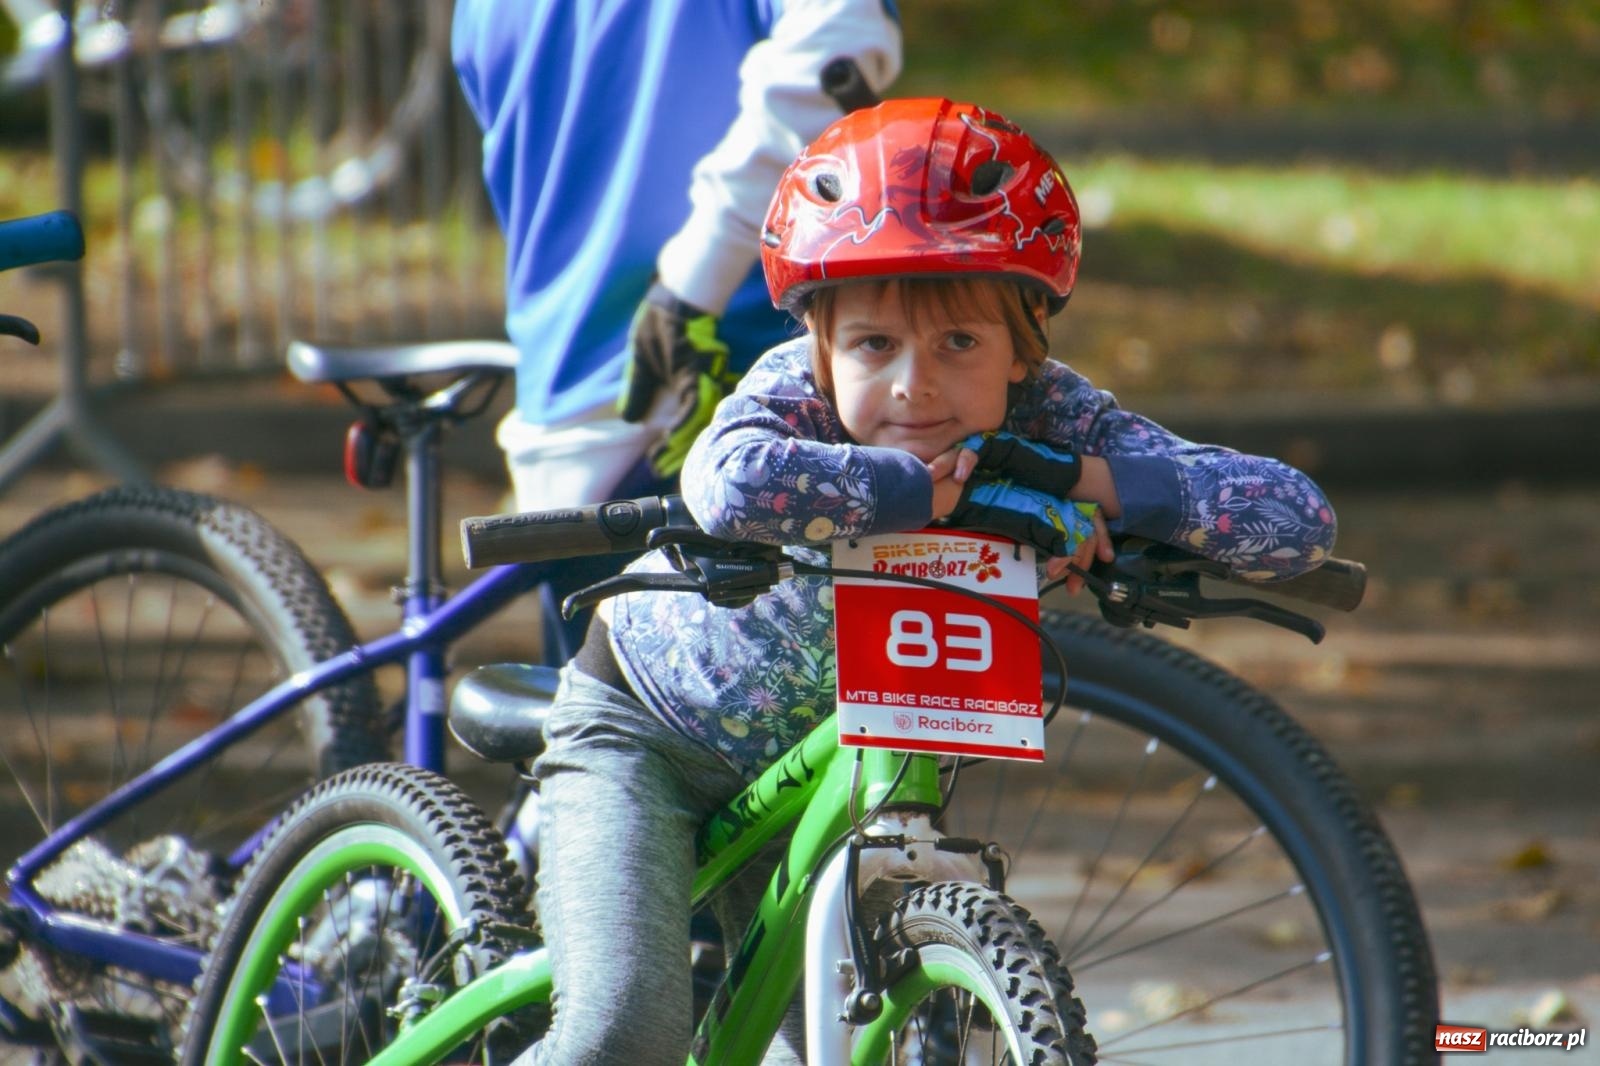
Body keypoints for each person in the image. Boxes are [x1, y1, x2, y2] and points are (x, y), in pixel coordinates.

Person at [517, 97, 1338, 1064]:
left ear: (1025, 343)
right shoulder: (794, 392)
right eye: (875, 345)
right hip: (647, 738)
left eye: (960, 344)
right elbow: (726, 480)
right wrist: (920, 492)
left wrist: (1086, 483)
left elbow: (1298, 519)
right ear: (822, 340)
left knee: (831, 1044)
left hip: (837, 773)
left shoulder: (1051, 413)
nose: (915, 385)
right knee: (623, 1033)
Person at [452, 0, 903, 661]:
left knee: (598, 742)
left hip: (574, 402)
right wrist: (696, 275)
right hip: (740, 386)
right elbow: (838, 43)